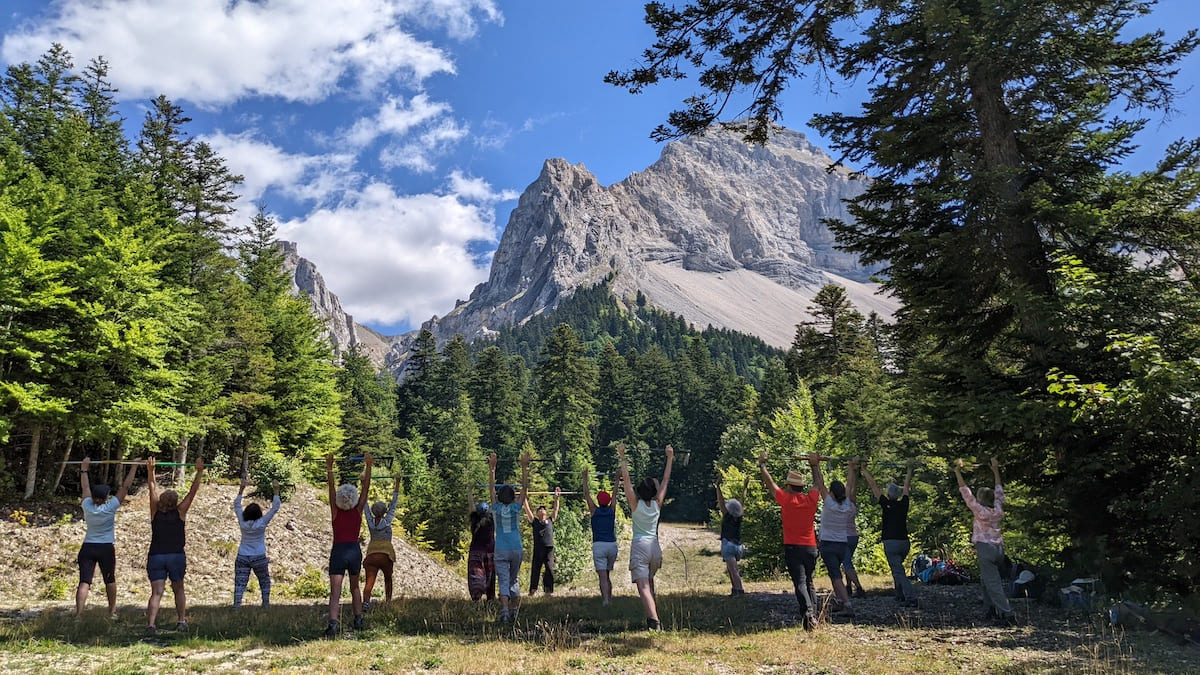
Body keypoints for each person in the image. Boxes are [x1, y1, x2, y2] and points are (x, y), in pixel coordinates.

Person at [759, 452, 821, 632]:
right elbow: (818, 484)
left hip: (793, 547)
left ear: (788, 486)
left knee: (800, 582)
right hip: (811, 546)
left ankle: (809, 615)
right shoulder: (811, 499)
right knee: (809, 581)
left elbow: (770, 485)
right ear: (801, 486)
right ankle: (814, 616)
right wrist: (814, 465)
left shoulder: (786, 500)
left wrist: (762, 466)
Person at [144, 455, 204, 637]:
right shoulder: (180, 512)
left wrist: (151, 471)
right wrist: (199, 472)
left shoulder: (155, 511)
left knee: (156, 592)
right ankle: (181, 621)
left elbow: (152, 488)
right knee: (178, 588)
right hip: (176, 556)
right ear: (175, 502)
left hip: (156, 556)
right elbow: (192, 492)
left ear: (162, 501)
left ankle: (151, 625)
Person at [618, 442, 673, 631]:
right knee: (649, 583)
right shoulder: (657, 504)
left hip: (640, 545)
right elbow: (666, 479)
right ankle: (653, 614)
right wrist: (670, 457)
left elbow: (625, 479)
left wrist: (622, 456)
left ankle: (654, 622)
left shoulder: (635, 504)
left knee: (642, 586)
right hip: (655, 547)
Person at [954, 457, 1016, 625]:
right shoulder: (997, 509)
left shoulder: (979, 510)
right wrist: (995, 470)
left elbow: (965, 491)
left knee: (993, 582)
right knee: (986, 578)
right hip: (998, 549)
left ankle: (1007, 614)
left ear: (980, 498)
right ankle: (990, 608)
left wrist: (958, 472)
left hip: (985, 548)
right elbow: (999, 490)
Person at [75, 457, 139, 619]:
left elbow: (85, 486)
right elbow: (125, 486)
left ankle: (79, 614)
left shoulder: (87, 506)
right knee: (109, 580)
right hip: (105, 548)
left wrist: (84, 469)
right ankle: (112, 612)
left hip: (88, 547)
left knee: (84, 581)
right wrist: (133, 466)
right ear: (106, 498)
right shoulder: (110, 507)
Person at [325, 454, 372, 637]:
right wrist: (369, 466)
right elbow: (366, 489)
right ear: (353, 498)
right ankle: (358, 618)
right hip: (354, 551)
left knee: (335, 592)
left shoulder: (335, 511)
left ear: (338, 498)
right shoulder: (358, 511)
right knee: (355, 587)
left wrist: (330, 467)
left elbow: (330, 487)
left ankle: (333, 624)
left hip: (338, 550)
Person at [861, 461, 918, 606]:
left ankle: (910, 597)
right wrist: (909, 470)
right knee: (897, 567)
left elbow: (873, 485)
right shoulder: (903, 503)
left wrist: (864, 470)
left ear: (888, 494)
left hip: (891, 542)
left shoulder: (886, 504)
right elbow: (906, 486)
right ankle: (899, 594)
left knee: (898, 571)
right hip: (904, 542)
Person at [489, 452, 530, 623]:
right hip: (516, 547)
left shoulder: (496, 509)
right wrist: (524, 466)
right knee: (514, 578)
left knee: (503, 579)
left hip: (501, 548)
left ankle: (505, 610)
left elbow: (491, 488)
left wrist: (492, 468)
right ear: (513, 498)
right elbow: (525, 488)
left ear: (499, 497)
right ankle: (514, 609)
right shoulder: (516, 508)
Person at [815, 455, 858, 616]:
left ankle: (847, 604)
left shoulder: (829, 504)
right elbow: (850, 484)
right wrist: (852, 469)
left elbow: (819, 484)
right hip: (842, 544)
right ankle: (840, 601)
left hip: (828, 544)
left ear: (832, 493)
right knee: (835, 572)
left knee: (835, 574)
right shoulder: (847, 505)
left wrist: (815, 465)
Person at [232, 476, 281, 608]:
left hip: (243, 554)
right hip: (258, 555)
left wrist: (242, 489)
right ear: (259, 513)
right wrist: (276, 490)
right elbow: (275, 507)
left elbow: (236, 505)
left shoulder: (242, 521)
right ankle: (265, 604)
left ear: (246, 513)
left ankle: (236, 606)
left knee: (240, 583)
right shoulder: (262, 522)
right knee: (264, 581)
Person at [362, 475, 401, 609]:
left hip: (372, 554)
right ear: (385, 511)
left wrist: (363, 484)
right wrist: (397, 483)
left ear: (373, 511)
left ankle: (366, 602)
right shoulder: (387, 520)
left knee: (369, 581)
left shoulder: (370, 520)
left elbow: (364, 504)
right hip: (386, 554)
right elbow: (394, 503)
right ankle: (388, 601)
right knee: (388, 578)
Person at [582, 468, 617, 605]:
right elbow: (615, 495)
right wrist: (617, 479)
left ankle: (606, 600)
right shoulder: (612, 510)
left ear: (598, 500)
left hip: (599, 545)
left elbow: (586, 494)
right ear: (608, 501)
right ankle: (610, 598)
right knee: (607, 574)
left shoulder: (594, 510)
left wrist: (584, 478)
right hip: (612, 545)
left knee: (602, 576)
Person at [525, 487, 561, 595]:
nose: (541, 510)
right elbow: (527, 509)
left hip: (549, 548)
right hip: (538, 549)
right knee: (536, 570)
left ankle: (548, 590)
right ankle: (532, 590)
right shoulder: (534, 521)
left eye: (543, 508)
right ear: (536, 513)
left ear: (546, 512)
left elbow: (555, 510)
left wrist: (557, 499)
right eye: (539, 509)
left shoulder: (550, 520)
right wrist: (525, 498)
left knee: (549, 569)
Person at [716, 480, 746, 596]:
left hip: (728, 544)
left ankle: (739, 590)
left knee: (733, 571)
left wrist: (718, 487)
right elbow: (743, 501)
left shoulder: (727, 516)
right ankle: (734, 590)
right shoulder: (739, 517)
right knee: (731, 569)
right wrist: (745, 486)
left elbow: (721, 502)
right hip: (739, 546)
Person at [466, 495, 496, 602]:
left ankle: (476, 597)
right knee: (490, 576)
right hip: (490, 551)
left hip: (476, 551)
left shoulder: (474, 521)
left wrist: (471, 498)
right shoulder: (492, 521)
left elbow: (471, 508)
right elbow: (494, 505)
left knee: (476, 575)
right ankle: (490, 598)